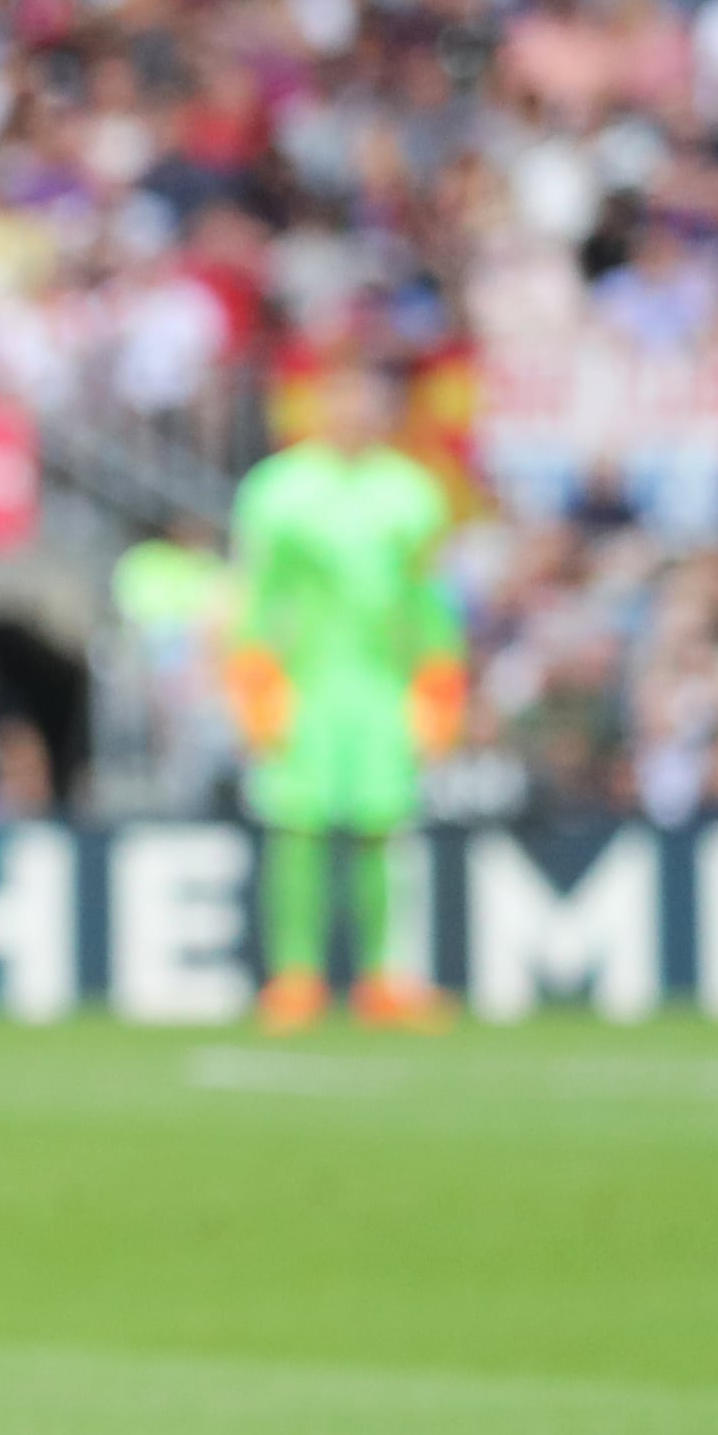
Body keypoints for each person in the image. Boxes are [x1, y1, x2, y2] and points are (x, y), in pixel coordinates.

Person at [224, 354, 465, 1028]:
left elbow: (429, 597)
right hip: (304, 684)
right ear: (317, 407)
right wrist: (251, 678)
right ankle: (294, 976)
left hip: (382, 687)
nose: (353, 412)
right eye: (341, 398)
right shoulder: (276, 490)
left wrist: (441, 678)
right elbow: (254, 595)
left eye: (365, 399)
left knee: (381, 826)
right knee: (296, 827)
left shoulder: (412, 491)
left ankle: (382, 977)